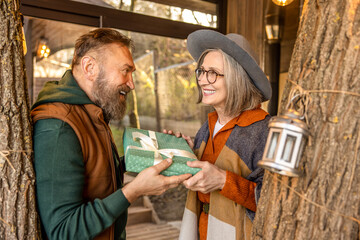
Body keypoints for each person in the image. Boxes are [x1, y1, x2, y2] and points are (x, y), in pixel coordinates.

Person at [31, 28, 191, 240]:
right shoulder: (59, 127)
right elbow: (63, 231)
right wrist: (134, 191)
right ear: (90, 67)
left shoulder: (90, 110)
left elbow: (93, 169)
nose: (131, 84)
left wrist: (156, 155)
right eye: (125, 71)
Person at [173, 30, 272, 240]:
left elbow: (273, 201)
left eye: (214, 73)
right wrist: (187, 152)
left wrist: (223, 181)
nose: (202, 80)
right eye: (201, 71)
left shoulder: (264, 130)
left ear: (238, 78)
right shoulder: (207, 126)